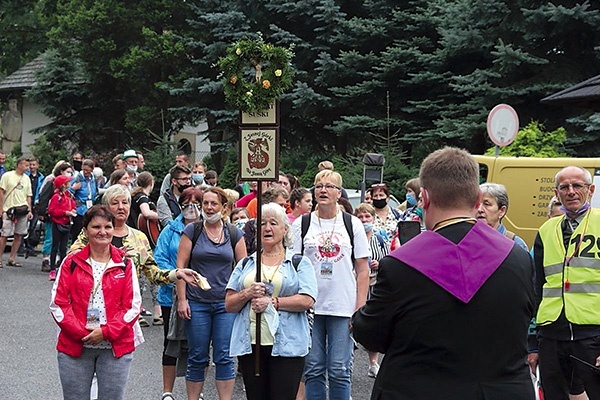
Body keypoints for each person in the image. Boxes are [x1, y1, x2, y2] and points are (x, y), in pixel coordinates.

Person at [352, 147, 535, 400]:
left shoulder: (400, 265)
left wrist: (359, 312)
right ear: (478, 197)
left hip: (416, 391)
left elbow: (371, 335)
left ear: (423, 198)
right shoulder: (518, 258)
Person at [226, 202, 318, 400]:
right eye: (262, 224)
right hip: (250, 344)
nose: (267, 228)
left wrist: (273, 302)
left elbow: (307, 300)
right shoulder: (247, 263)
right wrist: (247, 293)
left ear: (285, 229)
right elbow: (229, 304)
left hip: (287, 346)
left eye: (273, 223)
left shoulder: (299, 262)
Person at [49, 205, 142, 400]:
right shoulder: (71, 262)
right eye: (96, 227)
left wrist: (106, 332)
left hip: (115, 346)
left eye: (107, 227)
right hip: (75, 344)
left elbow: (132, 307)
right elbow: (58, 304)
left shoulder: (125, 263)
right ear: (85, 231)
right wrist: (83, 333)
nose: (102, 232)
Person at [292, 169, 370, 400]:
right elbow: (292, 264)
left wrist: (360, 307)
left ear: (339, 193)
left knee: (339, 369)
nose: (323, 190)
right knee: (313, 368)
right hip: (310, 306)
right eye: (318, 186)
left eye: (329, 186)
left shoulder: (352, 223)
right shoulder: (302, 224)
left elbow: (363, 269)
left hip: (342, 306)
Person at [531, 166, 600, 400]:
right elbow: (537, 287)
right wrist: (533, 340)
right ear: (556, 193)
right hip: (552, 332)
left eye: (577, 185)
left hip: (591, 334)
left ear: (590, 190)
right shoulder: (545, 230)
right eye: (564, 187)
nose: (571, 192)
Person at [176, 186, 247, 400]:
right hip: (197, 302)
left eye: (213, 203)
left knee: (224, 356)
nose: (208, 207)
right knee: (197, 355)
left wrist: (240, 299)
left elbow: (244, 269)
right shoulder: (192, 231)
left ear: (223, 207)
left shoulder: (234, 233)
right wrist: (182, 300)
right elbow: (180, 267)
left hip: (225, 304)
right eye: (205, 203)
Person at [154, 187, 203, 400]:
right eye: (186, 203)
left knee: (199, 344)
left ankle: (196, 392)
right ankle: (168, 391)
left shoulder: (209, 228)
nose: (191, 208)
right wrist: (175, 277)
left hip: (201, 295)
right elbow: (160, 257)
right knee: (171, 342)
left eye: (196, 203)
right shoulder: (171, 230)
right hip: (171, 295)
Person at [354, 202, 390, 379]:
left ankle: (373, 362)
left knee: (372, 321)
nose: (364, 220)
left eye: (367, 216)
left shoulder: (380, 238)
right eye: (360, 217)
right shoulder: (352, 237)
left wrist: (379, 263)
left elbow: (389, 260)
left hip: (375, 284)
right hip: (356, 285)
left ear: (374, 219)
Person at [38, 162, 73, 271]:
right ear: (61, 172)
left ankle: (57, 260)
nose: (69, 174)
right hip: (51, 215)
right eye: (67, 172)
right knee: (50, 238)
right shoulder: (52, 182)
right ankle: (46, 259)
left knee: (60, 241)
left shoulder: (67, 191)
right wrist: (41, 213)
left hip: (64, 219)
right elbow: (43, 197)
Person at [0, 156, 33, 268]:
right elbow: (1, 192)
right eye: (25, 165)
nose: (27, 168)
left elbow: (29, 196)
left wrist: (29, 210)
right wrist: (1, 208)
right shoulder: (7, 176)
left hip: (22, 209)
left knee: (19, 235)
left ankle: (12, 258)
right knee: (4, 234)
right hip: (9, 208)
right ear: (19, 165)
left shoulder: (27, 178)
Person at [478, 182, 529, 251]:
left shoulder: (516, 245)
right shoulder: (465, 239)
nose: (480, 209)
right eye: (476, 204)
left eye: (487, 204)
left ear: (502, 211)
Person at [47, 174, 77, 281]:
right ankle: (52, 269)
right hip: (58, 223)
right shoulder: (56, 197)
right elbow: (52, 211)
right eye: (67, 182)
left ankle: (62, 269)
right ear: (63, 185)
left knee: (64, 248)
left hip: (66, 223)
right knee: (55, 246)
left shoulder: (68, 196)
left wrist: (73, 210)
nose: (69, 184)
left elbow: (73, 205)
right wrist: (65, 212)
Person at [69, 159, 99, 242]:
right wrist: (73, 189)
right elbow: (67, 193)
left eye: (88, 171)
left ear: (92, 170)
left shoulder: (93, 179)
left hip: (89, 208)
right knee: (77, 232)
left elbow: (96, 191)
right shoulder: (77, 179)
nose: (86, 172)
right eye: (84, 170)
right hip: (79, 209)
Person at [21, 157, 44, 257]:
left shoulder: (41, 177)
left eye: (34, 165)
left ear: (37, 165)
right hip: (24, 204)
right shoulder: (25, 176)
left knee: (33, 227)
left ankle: (30, 248)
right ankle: (20, 247)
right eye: (30, 165)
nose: (32, 167)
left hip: (35, 205)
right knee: (22, 227)